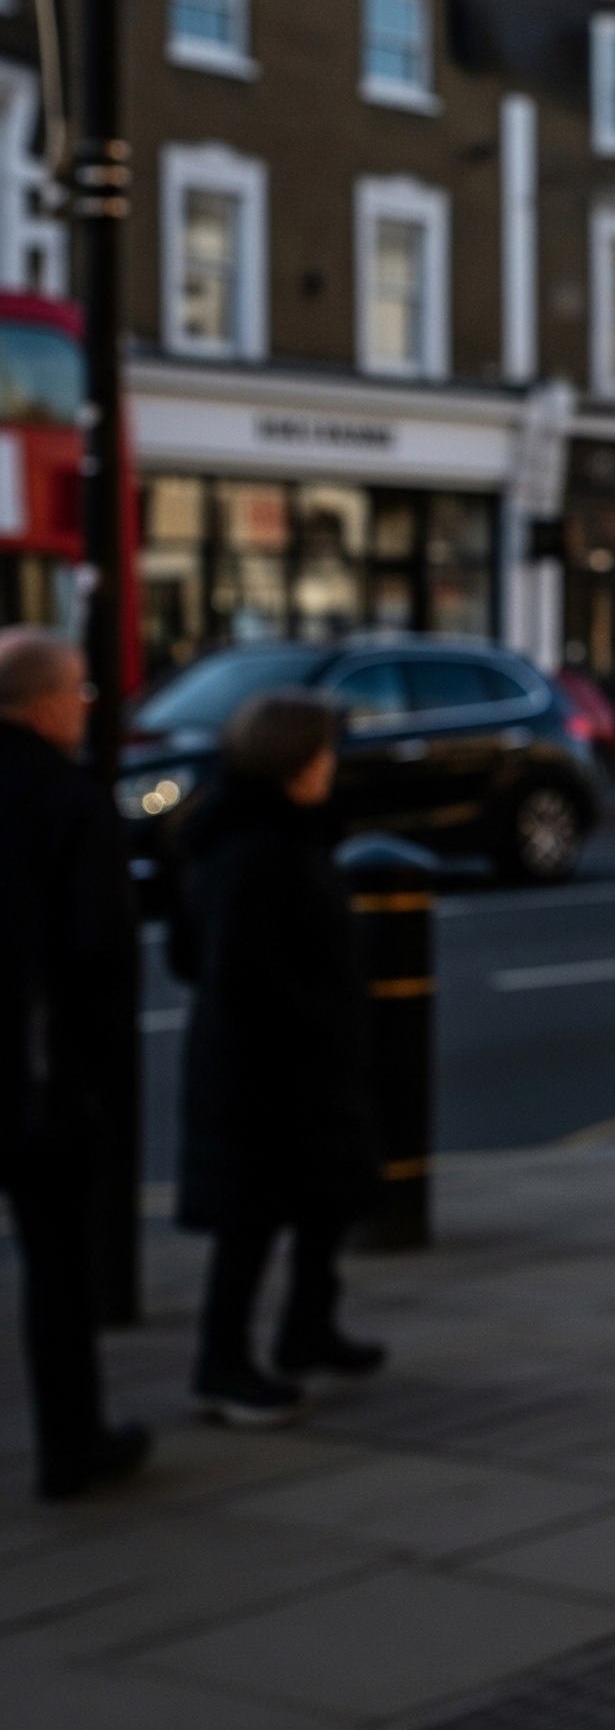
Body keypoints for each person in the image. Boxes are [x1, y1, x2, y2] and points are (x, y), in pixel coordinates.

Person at [172, 689, 383, 1425]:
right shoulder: (253, 849)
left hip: (297, 1063)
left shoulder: (286, 833)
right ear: (293, 761)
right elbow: (228, 966)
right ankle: (221, 1367)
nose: (333, 764)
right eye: (324, 751)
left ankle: (307, 1329)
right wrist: (315, 1016)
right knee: (251, 1221)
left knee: (325, 1200)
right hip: (263, 1073)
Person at [0, 629, 150, 1499]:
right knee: (58, 1271)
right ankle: (72, 1443)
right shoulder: (70, 800)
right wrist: (96, 1083)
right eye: (83, 693)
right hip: (38, 1081)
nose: (87, 709)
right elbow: (101, 957)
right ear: (49, 702)